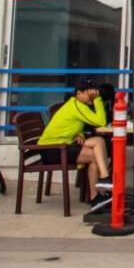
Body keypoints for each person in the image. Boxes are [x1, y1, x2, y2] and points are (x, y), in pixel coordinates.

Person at [37, 76, 112, 210]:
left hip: (63, 143)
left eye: (93, 94)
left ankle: (103, 183)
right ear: (78, 94)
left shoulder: (78, 105)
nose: (91, 98)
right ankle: (98, 191)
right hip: (52, 149)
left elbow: (72, 124)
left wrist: (80, 134)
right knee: (95, 154)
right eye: (88, 94)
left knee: (99, 141)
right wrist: (98, 99)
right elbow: (100, 122)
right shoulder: (76, 105)